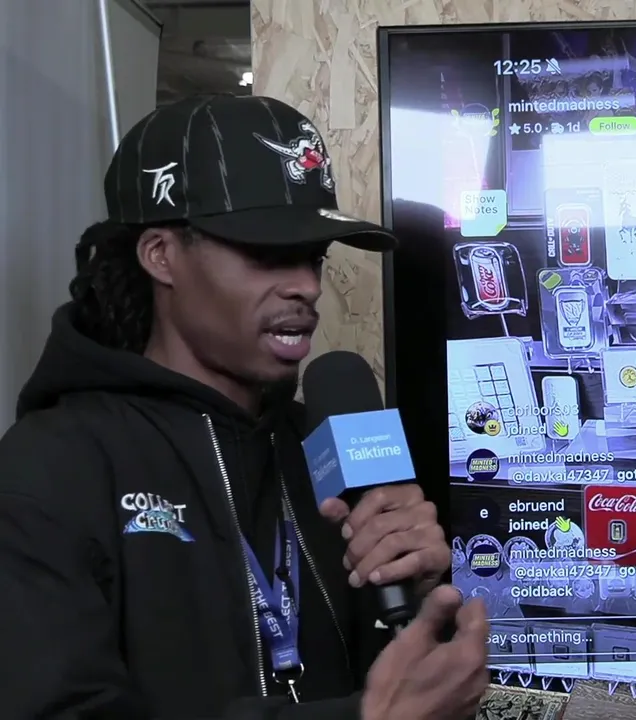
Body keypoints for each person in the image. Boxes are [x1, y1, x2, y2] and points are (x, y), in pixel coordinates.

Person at [0, 95, 490, 719]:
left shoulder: (322, 448)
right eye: (267, 253)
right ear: (160, 255)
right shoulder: (51, 465)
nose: (307, 285)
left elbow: (393, 688)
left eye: (313, 257)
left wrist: (415, 604)